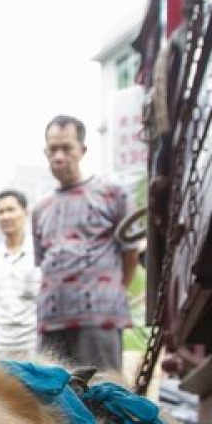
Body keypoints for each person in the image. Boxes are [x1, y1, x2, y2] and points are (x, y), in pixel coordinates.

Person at [32, 115, 137, 371]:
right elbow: (41, 261)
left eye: (66, 148)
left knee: (103, 395)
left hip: (99, 318)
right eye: (52, 149)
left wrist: (113, 288)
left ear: (82, 150)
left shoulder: (113, 194)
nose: (58, 157)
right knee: (53, 403)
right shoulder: (40, 209)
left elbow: (130, 252)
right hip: (51, 320)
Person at [0, 189, 41, 358]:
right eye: (0, 212)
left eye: (11, 210)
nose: (5, 216)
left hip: (34, 345)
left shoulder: (40, 251)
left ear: (26, 213)